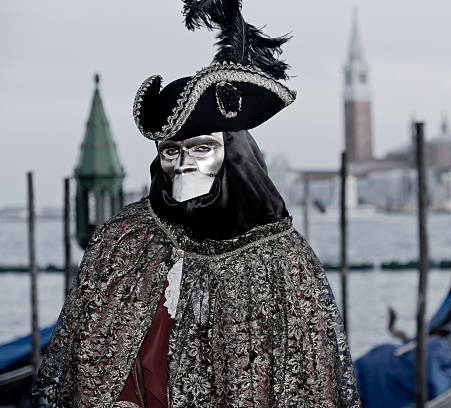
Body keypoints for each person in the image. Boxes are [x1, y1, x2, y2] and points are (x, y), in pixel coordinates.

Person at [32, 1, 361, 407]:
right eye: (171, 151)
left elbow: (305, 382)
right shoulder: (124, 241)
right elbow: (90, 363)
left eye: (201, 148)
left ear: (236, 154)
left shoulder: (282, 258)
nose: (184, 163)